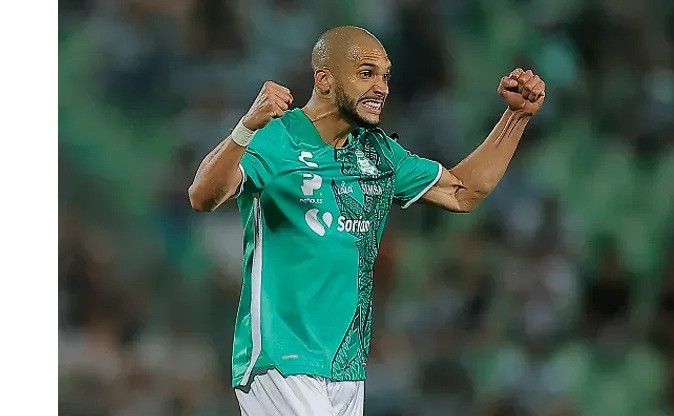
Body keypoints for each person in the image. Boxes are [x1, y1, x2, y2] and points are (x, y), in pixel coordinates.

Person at [188, 26, 546, 416]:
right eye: (366, 73)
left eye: (386, 75)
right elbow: (203, 196)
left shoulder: (377, 153)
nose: (381, 87)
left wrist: (517, 117)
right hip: (281, 358)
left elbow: (462, 192)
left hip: (347, 367)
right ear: (324, 79)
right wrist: (246, 127)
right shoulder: (278, 137)